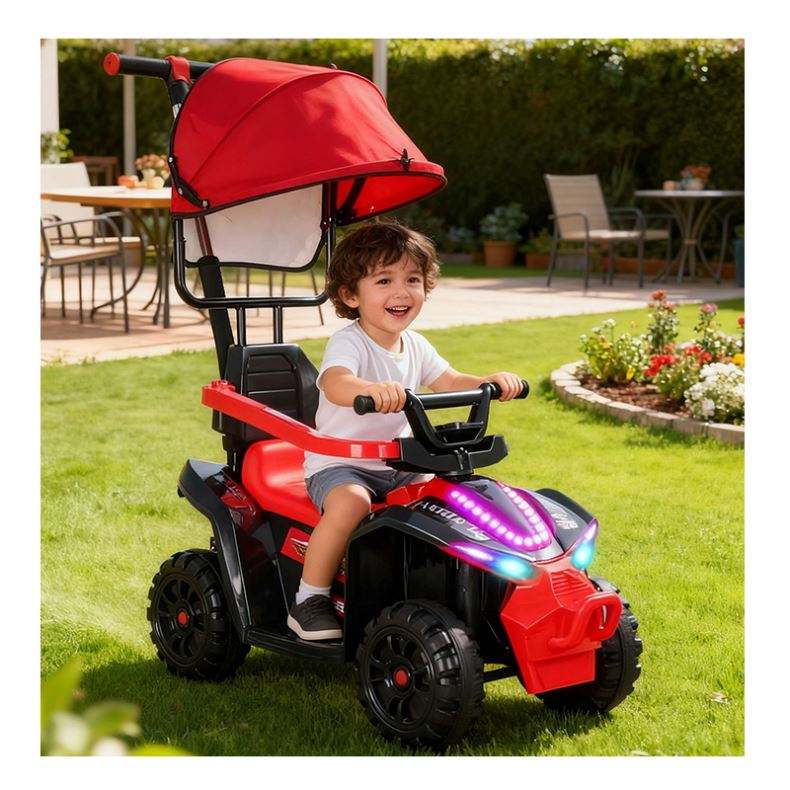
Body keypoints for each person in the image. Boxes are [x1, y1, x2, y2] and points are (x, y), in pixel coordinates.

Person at [287, 222, 523, 640]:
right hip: (342, 465)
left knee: (448, 501)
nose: (401, 292)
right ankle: (310, 599)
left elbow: (449, 380)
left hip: (400, 462)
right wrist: (369, 389)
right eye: (384, 281)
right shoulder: (350, 342)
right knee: (352, 505)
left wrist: (488, 382)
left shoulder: (415, 344)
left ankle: (433, 585)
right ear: (350, 295)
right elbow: (336, 382)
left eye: (412, 279)